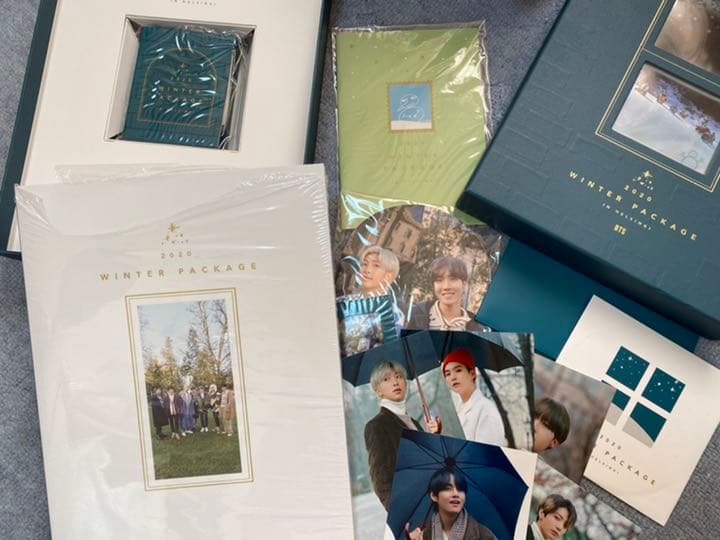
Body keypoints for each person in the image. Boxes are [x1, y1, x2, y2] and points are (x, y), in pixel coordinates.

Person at [364, 361, 440, 510]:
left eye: (398, 376)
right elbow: (381, 481)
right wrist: (403, 515)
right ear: (378, 391)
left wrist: (434, 436)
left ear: (405, 384)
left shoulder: (413, 423)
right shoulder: (377, 426)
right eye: (386, 379)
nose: (395, 382)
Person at [406, 467, 497, 540]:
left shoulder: (484, 535)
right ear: (434, 496)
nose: (456, 494)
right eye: (448, 488)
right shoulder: (423, 534)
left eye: (460, 489)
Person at [441, 349, 506, 446]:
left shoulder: (485, 410)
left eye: (458, 370)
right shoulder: (459, 409)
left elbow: (488, 452)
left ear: (472, 374)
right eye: (448, 374)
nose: (453, 377)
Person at [407, 256, 487, 332]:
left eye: (453, 279)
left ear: (464, 284)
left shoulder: (476, 327)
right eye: (439, 280)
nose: (446, 286)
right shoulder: (418, 317)